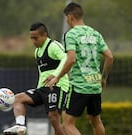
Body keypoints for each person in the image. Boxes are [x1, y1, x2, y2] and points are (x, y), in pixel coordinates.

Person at [45, 2, 113, 135]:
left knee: (67, 124)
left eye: (66, 18)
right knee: (96, 121)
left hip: (79, 86)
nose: (67, 20)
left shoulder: (71, 34)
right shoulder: (95, 33)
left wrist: (57, 77)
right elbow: (110, 57)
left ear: (70, 17)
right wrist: (103, 79)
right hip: (95, 84)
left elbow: (71, 59)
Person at [3, 22, 69, 135]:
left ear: (45, 35)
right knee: (17, 99)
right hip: (43, 88)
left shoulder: (53, 46)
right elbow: (42, 73)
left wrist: (55, 76)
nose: (33, 41)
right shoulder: (37, 51)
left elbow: (66, 58)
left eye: (36, 38)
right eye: (31, 38)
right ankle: (20, 126)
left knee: (53, 118)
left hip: (57, 86)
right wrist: (39, 89)